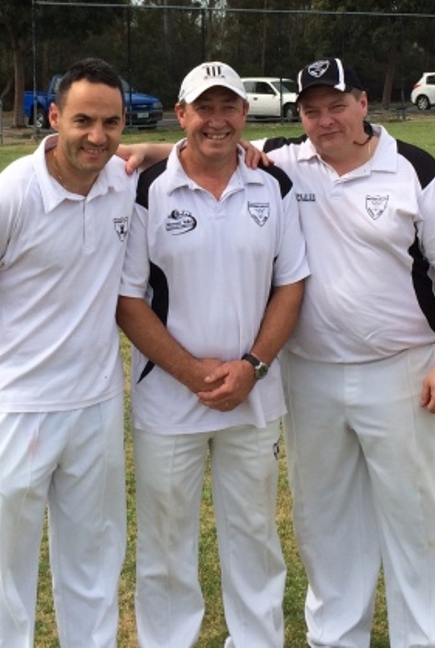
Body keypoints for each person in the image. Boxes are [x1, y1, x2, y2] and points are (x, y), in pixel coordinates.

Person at [253, 57, 435, 647]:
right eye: (310, 110)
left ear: (362, 103)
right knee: (323, 517)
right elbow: (209, 146)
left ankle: (427, 638)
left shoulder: (412, 167)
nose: (324, 121)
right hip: (311, 374)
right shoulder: (283, 159)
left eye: (335, 106)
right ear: (298, 115)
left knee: (416, 512)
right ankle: (335, 637)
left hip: (402, 370)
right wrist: (147, 155)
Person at [116, 61, 309, 648]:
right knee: (166, 539)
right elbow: (127, 300)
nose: (217, 121)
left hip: (253, 398)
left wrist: (251, 367)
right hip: (168, 400)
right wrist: (192, 372)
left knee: (253, 532)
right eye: (205, 108)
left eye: (229, 107)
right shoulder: (146, 189)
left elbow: (291, 283)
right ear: (182, 115)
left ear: (244, 116)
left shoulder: (273, 184)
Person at [0, 57, 137, 647]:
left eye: (111, 123)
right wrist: (4, 331)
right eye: (83, 120)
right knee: (6, 572)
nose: (97, 136)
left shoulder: (120, 182)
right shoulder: (9, 194)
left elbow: (175, 148)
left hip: (98, 403)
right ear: (54, 116)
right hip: (22, 408)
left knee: (93, 561)